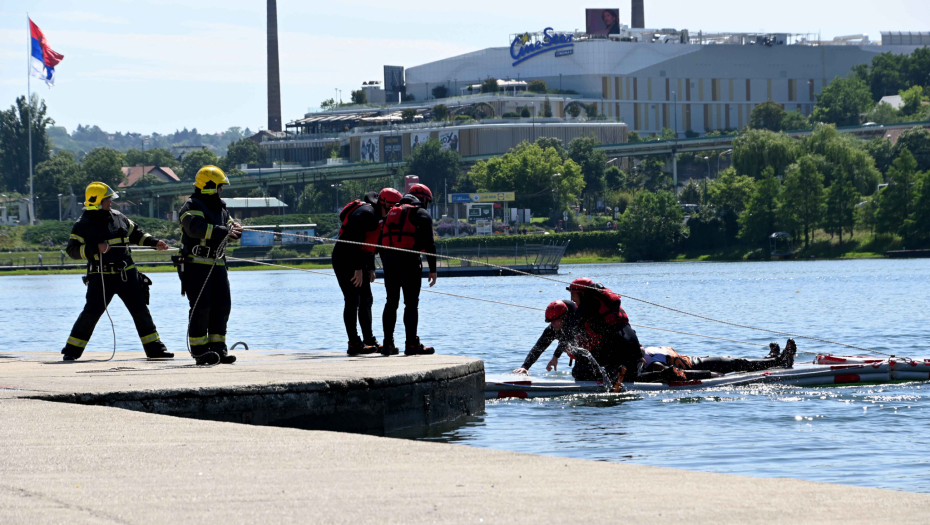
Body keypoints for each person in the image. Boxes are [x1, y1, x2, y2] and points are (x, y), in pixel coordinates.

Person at [61, 182, 173, 361]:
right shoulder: (83, 224)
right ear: (96, 201)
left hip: (126, 274)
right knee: (91, 313)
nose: (111, 203)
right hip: (101, 277)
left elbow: (137, 234)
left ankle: (155, 350)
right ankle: (72, 351)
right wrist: (95, 248)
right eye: (107, 200)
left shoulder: (119, 217)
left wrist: (154, 243)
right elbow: (72, 251)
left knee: (140, 311)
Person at [176, 166, 243, 366]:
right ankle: (200, 351)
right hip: (196, 264)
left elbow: (229, 228)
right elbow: (195, 228)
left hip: (218, 264)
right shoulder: (191, 205)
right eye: (219, 187)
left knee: (222, 306)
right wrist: (223, 231)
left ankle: (219, 349)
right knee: (201, 307)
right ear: (209, 186)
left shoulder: (221, 208)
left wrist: (236, 230)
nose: (221, 191)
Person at [333, 188, 402, 355]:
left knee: (366, 299)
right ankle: (354, 343)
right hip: (345, 258)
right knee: (352, 300)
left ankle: (368, 339)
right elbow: (354, 241)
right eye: (392, 208)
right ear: (385, 204)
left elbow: (368, 242)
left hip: (359, 259)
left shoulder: (376, 215)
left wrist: (370, 268)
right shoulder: (366, 214)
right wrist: (357, 269)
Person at [378, 183, 437, 356]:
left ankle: (387, 344)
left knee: (391, 302)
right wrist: (433, 269)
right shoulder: (421, 214)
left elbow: (381, 242)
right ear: (423, 199)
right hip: (409, 261)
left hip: (389, 263)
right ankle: (411, 344)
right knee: (411, 304)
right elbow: (430, 244)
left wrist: (387, 263)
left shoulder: (391, 213)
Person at [566, 277, 643, 381]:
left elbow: (572, 328)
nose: (571, 299)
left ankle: (612, 373)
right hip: (633, 343)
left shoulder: (587, 304)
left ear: (582, 293)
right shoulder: (605, 302)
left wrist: (569, 346)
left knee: (579, 370)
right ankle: (665, 373)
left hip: (617, 344)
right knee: (632, 379)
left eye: (573, 294)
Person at [636, 340, 798, 382]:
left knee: (738, 362)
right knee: (736, 362)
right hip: (701, 365)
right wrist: (710, 375)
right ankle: (781, 361)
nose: (640, 345)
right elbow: (681, 373)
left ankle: (769, 360)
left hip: (696, 359)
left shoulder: (647, 352)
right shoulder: (652, 364)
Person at [512, 300, 579, 375]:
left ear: (564, 317)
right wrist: (525, 366)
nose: (552, 324)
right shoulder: (552, 328)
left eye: (555, 321)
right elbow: (538, 348)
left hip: (591, 349)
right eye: (551, 321)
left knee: (579, 372)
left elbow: (566, 339)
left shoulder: (575, 322)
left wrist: (555, 356)